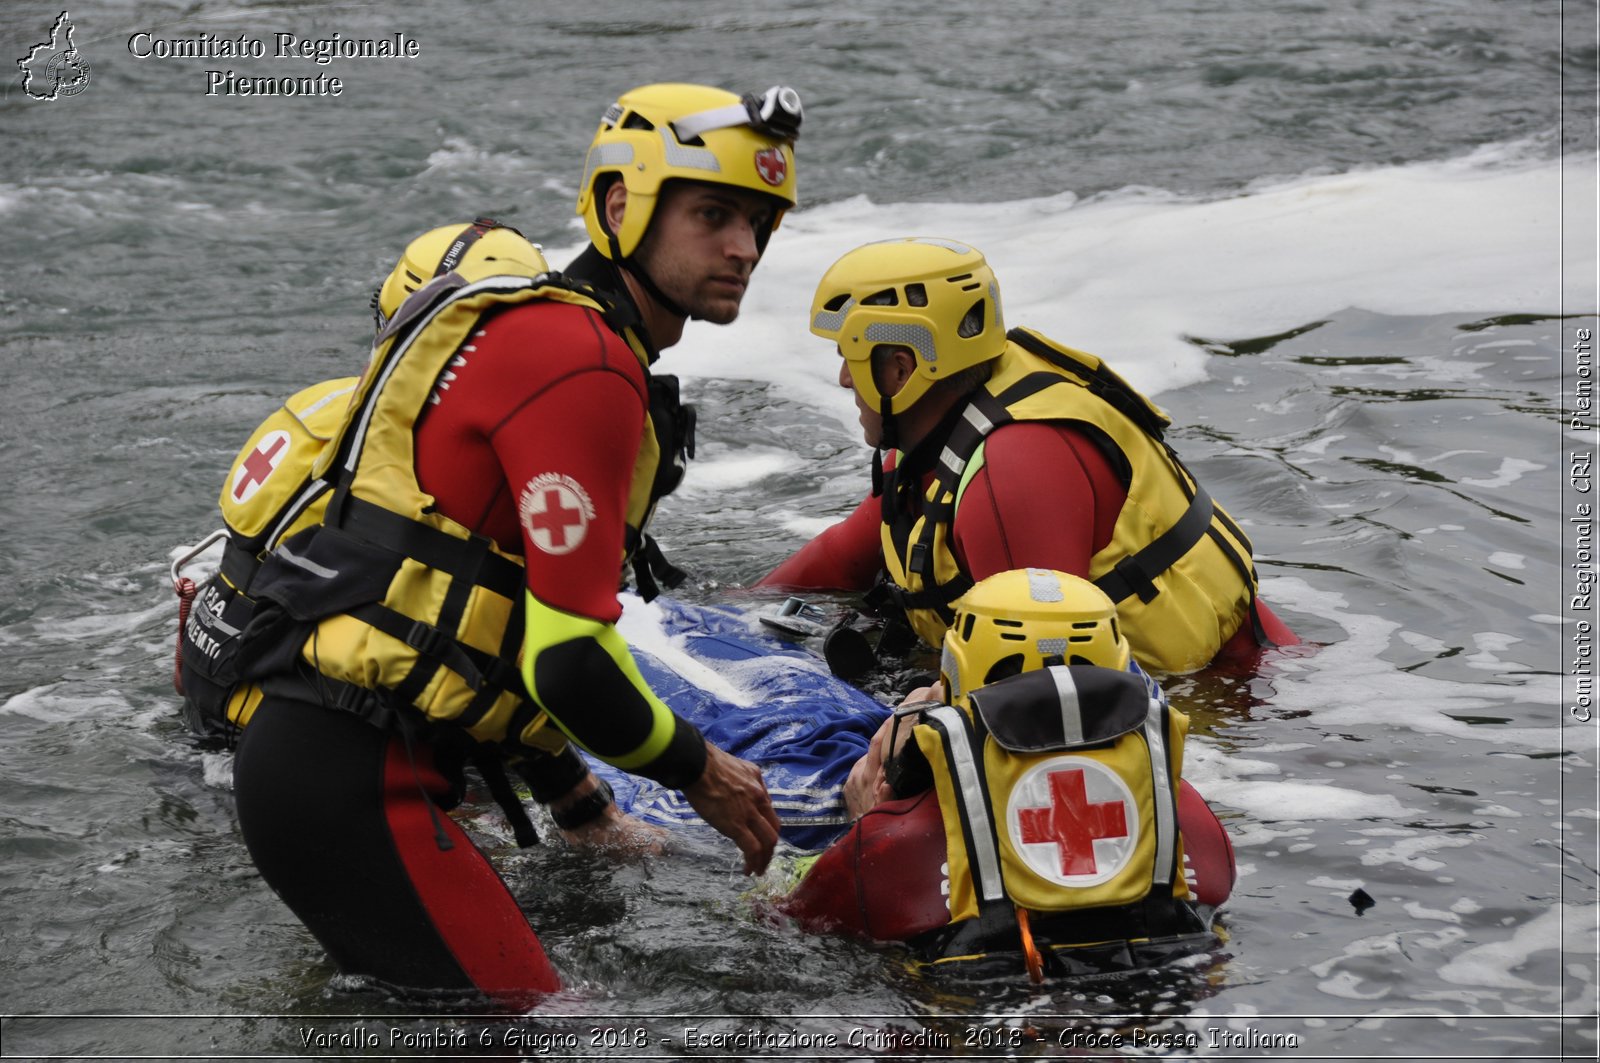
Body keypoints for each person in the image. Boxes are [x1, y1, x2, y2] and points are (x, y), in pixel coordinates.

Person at [189, 83, 805, 1008]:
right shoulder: (585, 362)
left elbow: (495, 620)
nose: (743, 249)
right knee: (557, 1029)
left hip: (326, 764)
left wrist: (581, 805)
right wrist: (700, 770)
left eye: (760, 223)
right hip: (351, 783)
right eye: (712, 214)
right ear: (615, 207)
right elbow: (566, 664)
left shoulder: (556, 337)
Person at [758, 237, 1299, 675]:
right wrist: (718, 621)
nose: (843, 378)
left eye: (848, 357)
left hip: (1240, 709)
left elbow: (1043, 687)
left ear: (901, 369)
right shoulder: (940, 426)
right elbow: (840, 558)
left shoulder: (1011, 473)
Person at [778, 568, 1237, 980]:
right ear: (1118, 669)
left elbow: (781, 915)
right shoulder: (1185, 813)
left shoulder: (894, 842)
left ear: (955, 673)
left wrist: (865, 822)